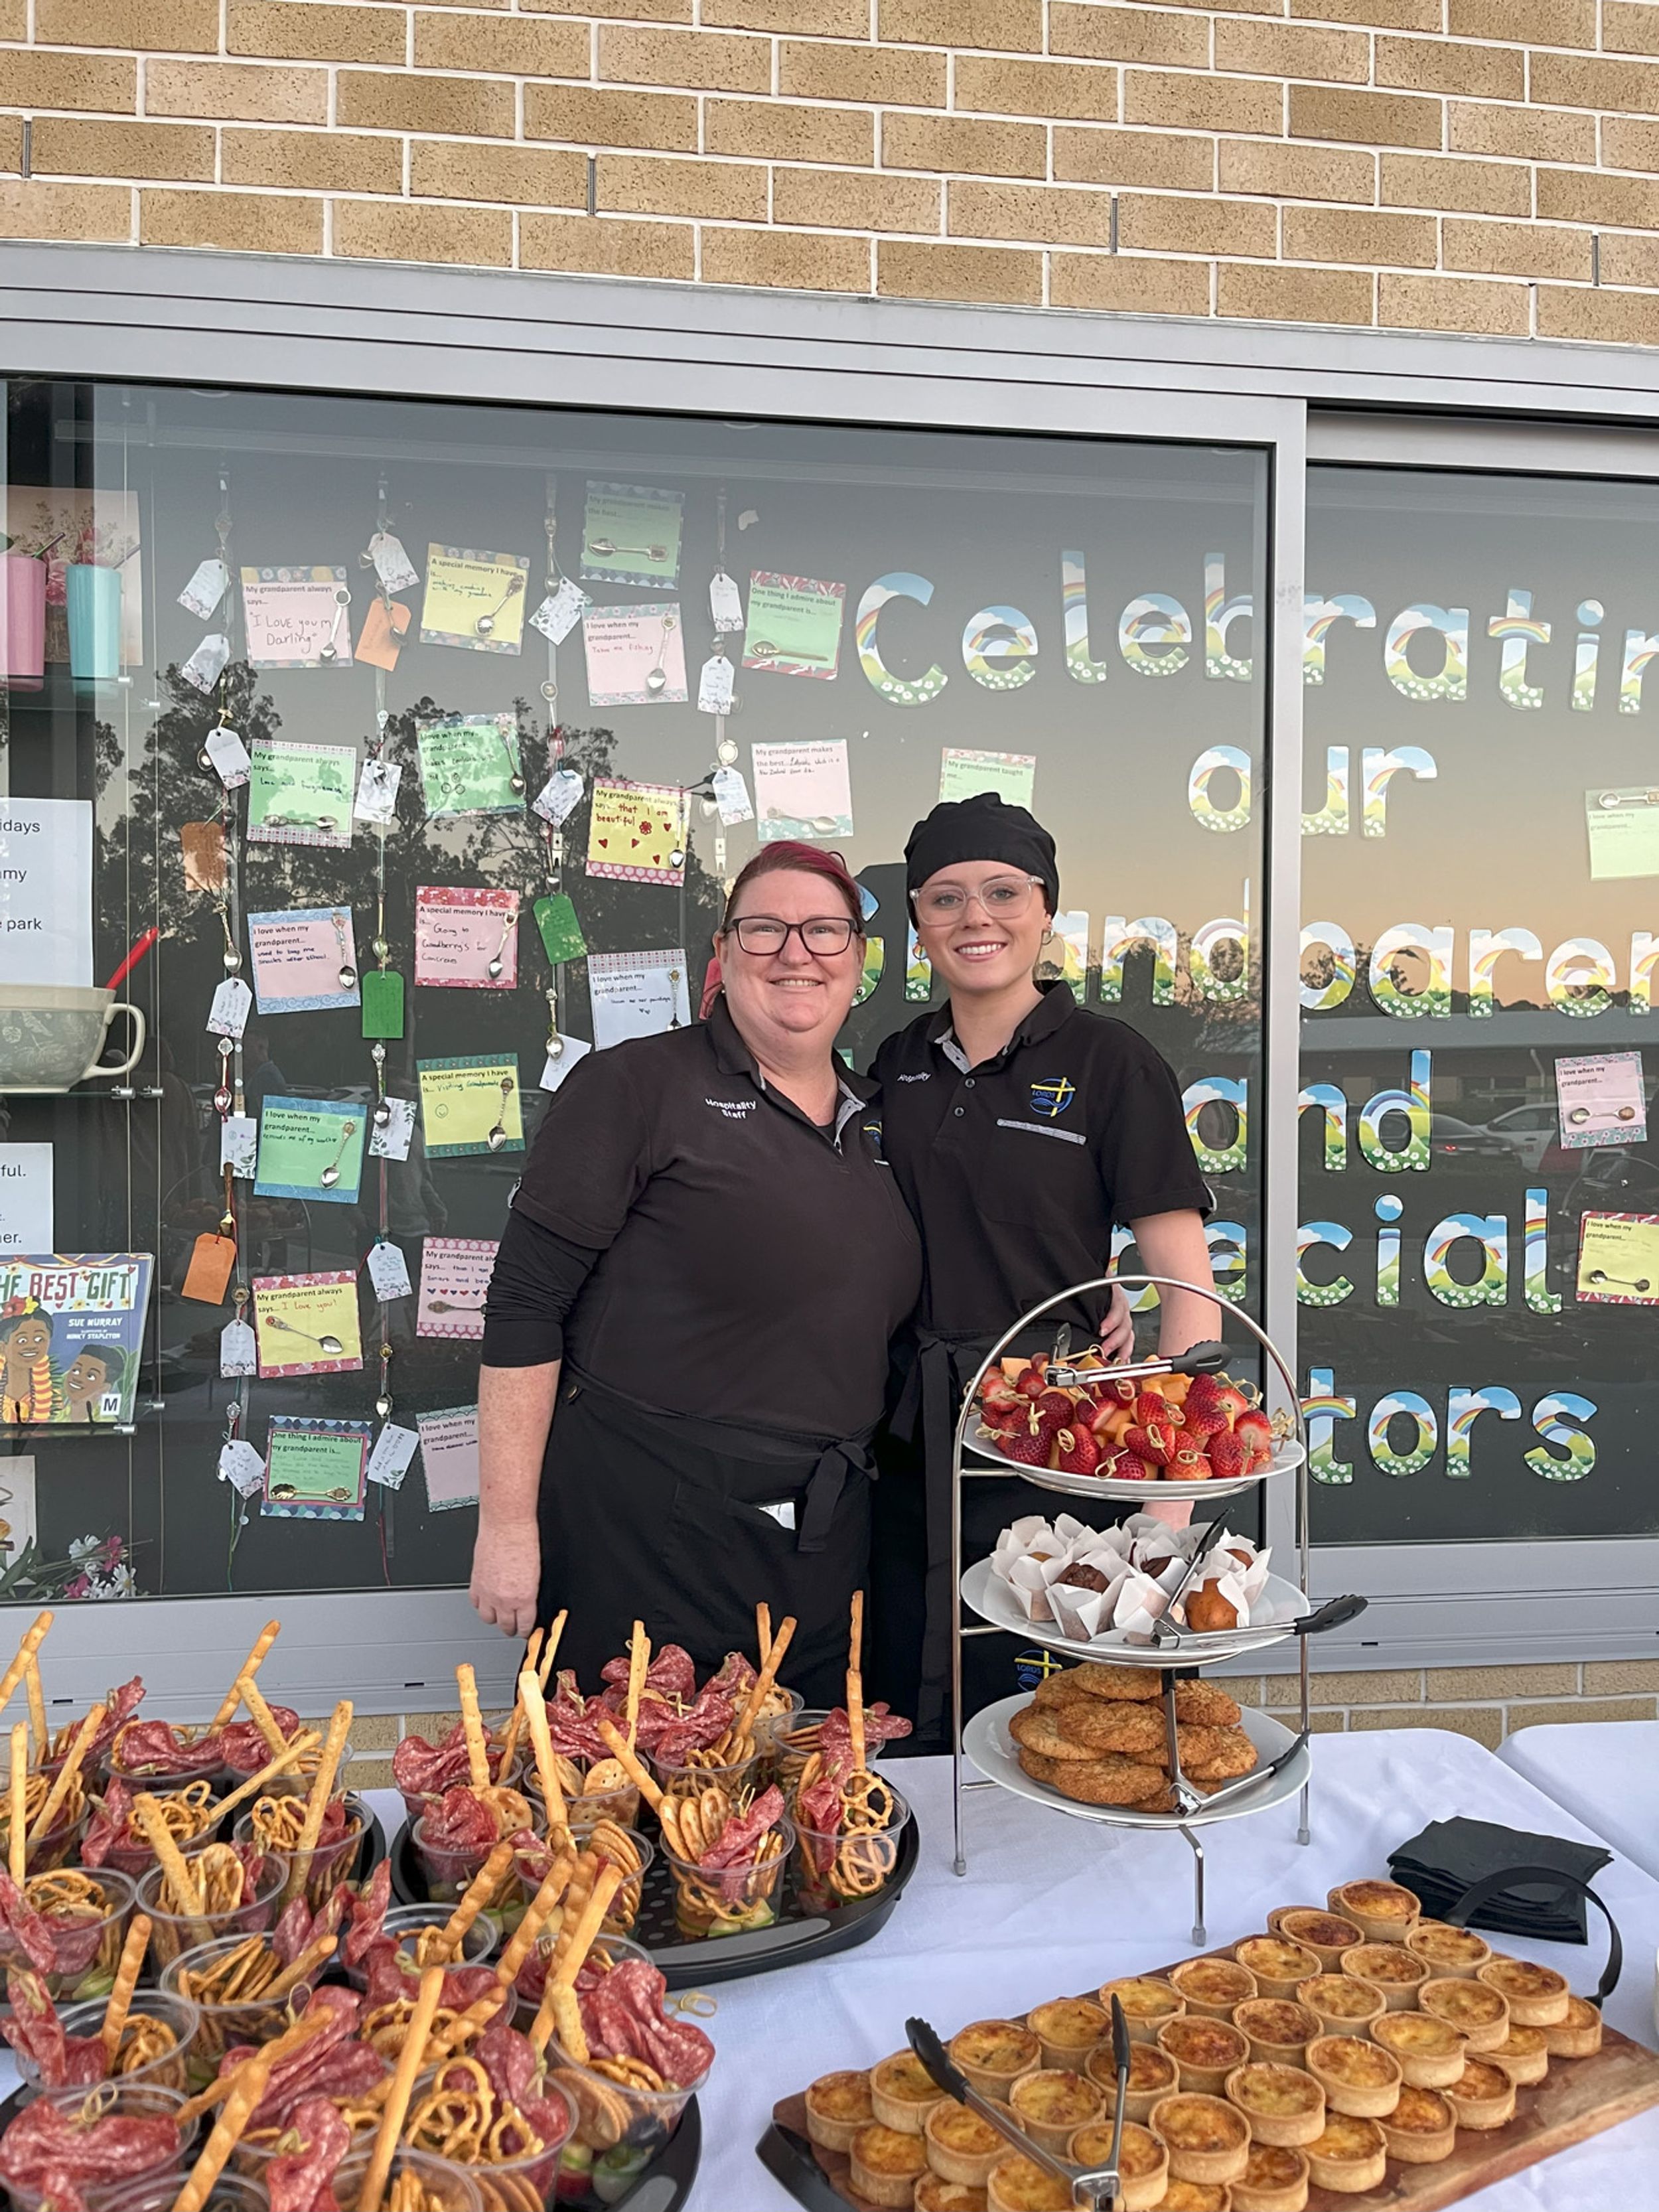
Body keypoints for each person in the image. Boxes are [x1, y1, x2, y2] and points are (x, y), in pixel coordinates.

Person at [471, 844, 922, 1707]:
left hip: (819, 1550)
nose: (796, 952)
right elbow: (525, 1304)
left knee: (797, 1780)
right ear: (723, 949)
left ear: (858, 958)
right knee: (623, 1785)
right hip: (642, 1538)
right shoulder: (635, 1086)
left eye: (825, 930)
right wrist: (507, 1525)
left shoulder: (879, 1119)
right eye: (765, 928)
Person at [869, 792, 1219, 1744]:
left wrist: (1163, 1513)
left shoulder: (1113, 1063)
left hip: (1056, 1441)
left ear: (1046, 909)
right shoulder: (896, 1060)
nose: (974, 917)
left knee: (1063, 1719)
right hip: (903, 1444)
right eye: (945, 897)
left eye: (1003, 891)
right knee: (910, 1705)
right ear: (918, 923)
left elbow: (1187, 1290)